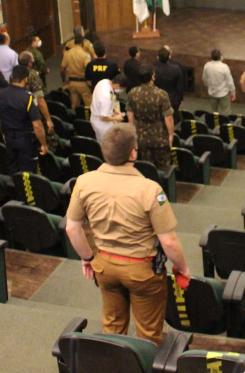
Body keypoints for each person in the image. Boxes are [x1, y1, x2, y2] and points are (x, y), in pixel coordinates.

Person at [64, 123, 191, 345]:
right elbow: (169, 241)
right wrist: (182, 267)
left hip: (104, 266)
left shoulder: (84, 182)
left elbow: (72, 228)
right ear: (133, 152)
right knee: (148, 336)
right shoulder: (150, 189)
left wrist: (87, 258)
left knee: (112, 329)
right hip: (141, 271)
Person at [0, 66, 49, 173]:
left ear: (12, 77)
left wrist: (3, 133)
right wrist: (44, 144)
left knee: (13, 169)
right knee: (28, 174)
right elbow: (37, 125)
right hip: (25, 141)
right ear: (26, 79)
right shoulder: (29, 98)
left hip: (9, 138)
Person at [126, 64, 175, 170]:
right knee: (163, 169)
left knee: (146, 169)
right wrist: (170, 135)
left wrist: (134, 134)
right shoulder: (161, 94)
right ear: (152, 77)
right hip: (160, 137)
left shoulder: (132, 93)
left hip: (141, 137)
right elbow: (168, 118)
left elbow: (130, 116)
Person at [18, 51, 54, 136]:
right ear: (29, 63)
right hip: (32, 110)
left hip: (20, 111)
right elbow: (40, 99)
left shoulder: (14, 73)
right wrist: (48, 119)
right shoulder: (32, 74)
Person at [61, 30, 92, 109]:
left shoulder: (68, 54)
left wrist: (64, 80)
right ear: (82, 43)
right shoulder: (85, 55)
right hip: (83, 83)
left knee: (75, 106)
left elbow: (62, 69)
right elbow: (89, 69)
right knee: (89, 106)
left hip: (72, 83)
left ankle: (76, 120)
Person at [91, 74, 127, 142]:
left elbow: (100, 103)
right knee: (106, 144)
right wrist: (117, 118)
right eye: (121, 89)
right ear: (117, 85)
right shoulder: (106, 97)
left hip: (95, 116)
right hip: (102, 124)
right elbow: (103, 117)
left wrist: (113, 110)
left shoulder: (103, 82)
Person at [201, 49, 236, 115]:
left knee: (214, 113)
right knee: (226, 113)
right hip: (223, 93)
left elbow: (204, 79)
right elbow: (230, 82)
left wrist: (209, 86)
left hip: (212, 93)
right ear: (220, 57)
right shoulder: (224, 67)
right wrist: (233, 92)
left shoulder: (207, 66)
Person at [153, 47, 183, 120]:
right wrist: (181, 100)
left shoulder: (153, 69)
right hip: (173, 99)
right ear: (169, 57)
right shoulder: (176, 69)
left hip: (157, 98)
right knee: (173, 119)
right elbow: (180, 86)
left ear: (158, 57)